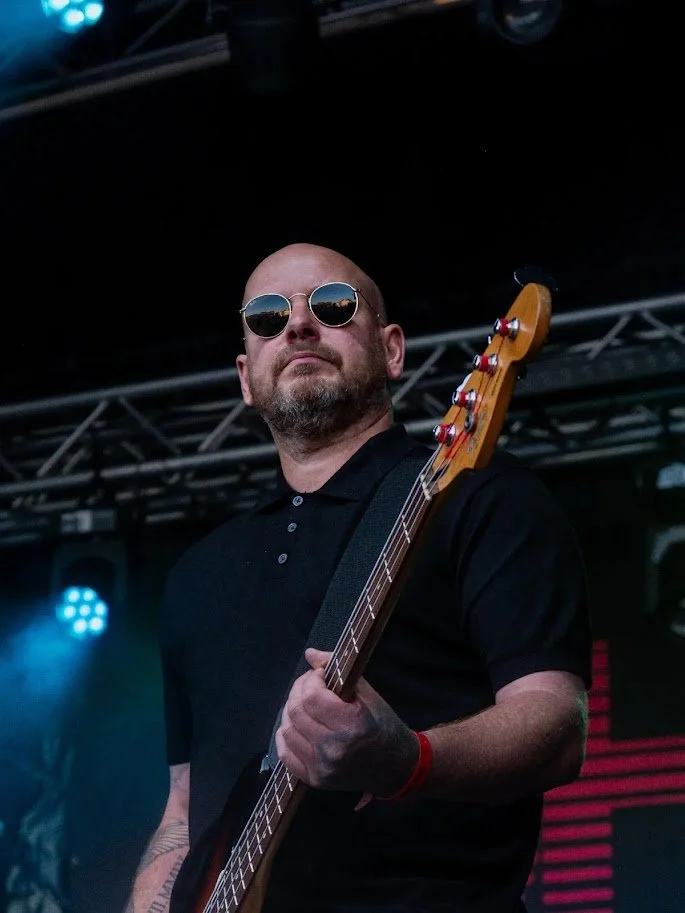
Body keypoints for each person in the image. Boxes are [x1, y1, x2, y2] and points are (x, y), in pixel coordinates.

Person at [124, 242, 593, 913]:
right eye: (265, 317)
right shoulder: (198, 574)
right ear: (244, 377)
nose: (297, 325)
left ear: (392, 350)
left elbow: (555, 724)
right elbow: (182, 808)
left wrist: (408, 758)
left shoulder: (477, 497)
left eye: (332, 306)